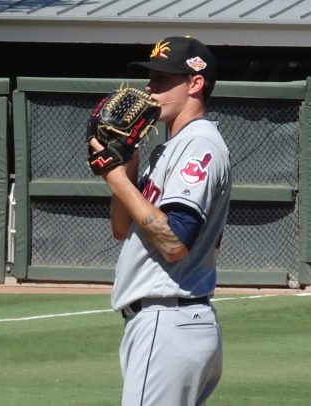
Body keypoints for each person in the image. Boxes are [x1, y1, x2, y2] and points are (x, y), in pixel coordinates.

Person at [90, 36, 232, 405]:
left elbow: (174, 242)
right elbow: (122, 230)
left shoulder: (198, 144)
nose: (150, 90)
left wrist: (114, 176)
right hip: (169, 323)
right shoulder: (166, 148)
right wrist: (127, 167)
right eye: (150, 78)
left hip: (168, 320)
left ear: (195, 84)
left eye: (163, 80)